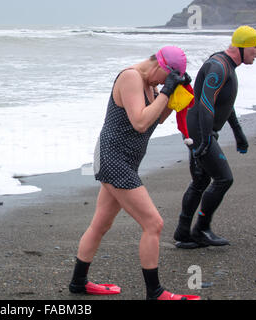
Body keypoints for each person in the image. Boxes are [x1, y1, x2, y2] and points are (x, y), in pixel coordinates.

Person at [69, 47, 200, 300]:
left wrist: (175, 94)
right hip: (114, 160)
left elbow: (156, 119)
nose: (162, 82)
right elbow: (140, 121)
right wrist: (166, 90)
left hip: (125, 161)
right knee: (154, 224)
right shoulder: (131, 77)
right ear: (160, 65)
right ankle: (155, 292)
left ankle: (78, 283)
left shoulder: (150, 85)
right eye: (165, 77)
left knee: (101, 223)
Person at [173, 26, 256, 249]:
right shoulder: (218, 67)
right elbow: (205, 104)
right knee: (224, 179)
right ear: (241, 46)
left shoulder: (226, 66)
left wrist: (239, 134)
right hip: (199, 131)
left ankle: (183, 233)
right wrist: (205, 139)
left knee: (201, 180)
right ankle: (201, 229)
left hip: (199, 131)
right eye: (255, 47)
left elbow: (225, 105)